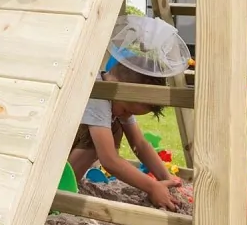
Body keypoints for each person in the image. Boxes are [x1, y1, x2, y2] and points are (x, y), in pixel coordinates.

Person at [68, 60, 183, 211]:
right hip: (55, 162)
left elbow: (140, 144)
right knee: (107, 130)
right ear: (119, 86)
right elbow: (109, 160)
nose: (126, 116)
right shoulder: (98, 93)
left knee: (115, 125)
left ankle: (72, 181)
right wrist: (152, 187)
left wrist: (167, 179)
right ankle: (64, 189)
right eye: (125, 110)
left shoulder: (119, 97)